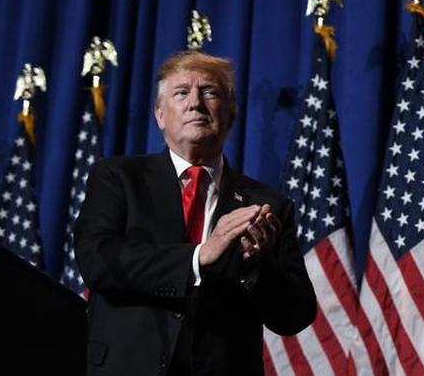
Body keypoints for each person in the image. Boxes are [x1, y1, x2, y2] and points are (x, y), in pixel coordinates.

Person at [75, 51, 316, 375]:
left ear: (231, 114)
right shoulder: (118, 177)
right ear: (160, 115)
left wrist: (255, 267)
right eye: (181, 92)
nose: (195, 103)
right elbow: (98, 260)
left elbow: (295, 315)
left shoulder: (267, 205)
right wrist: (198, 257)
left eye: (210, 92)